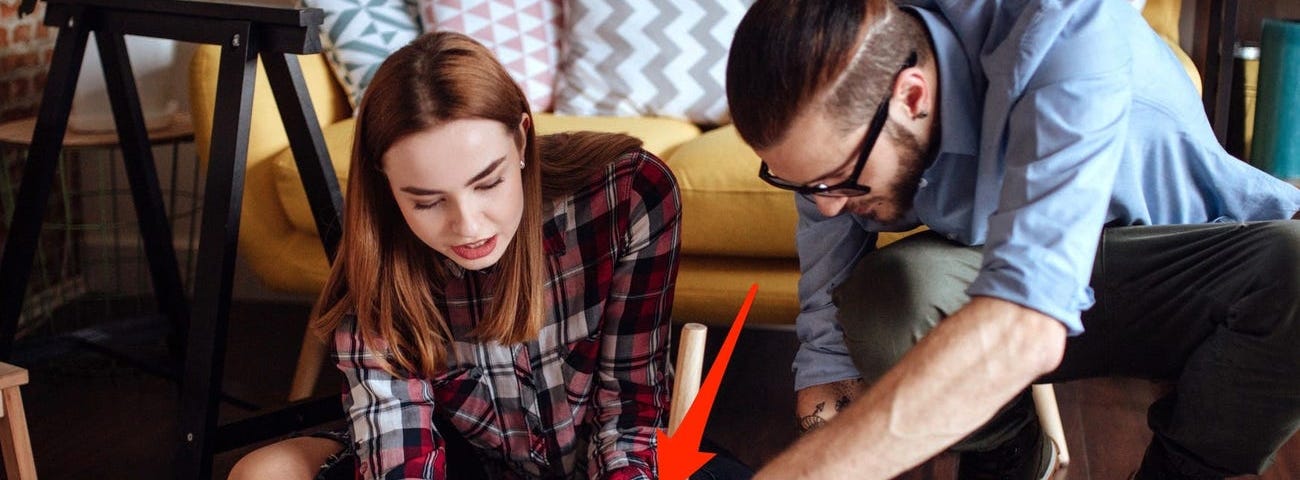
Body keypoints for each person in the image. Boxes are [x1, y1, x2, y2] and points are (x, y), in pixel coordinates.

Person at [724, 0, 1300, 479]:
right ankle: (1008, 456)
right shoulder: (845, 63)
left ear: (913, 97)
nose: (825, 205)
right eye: (802, 184)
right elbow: (829, 256)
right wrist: (824, 366)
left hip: (1169, 263)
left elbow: (1025, 325)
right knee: (890, 298)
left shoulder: (1062, 28)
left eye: (838, 180)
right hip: (1009, 265)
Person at [227, 31, 751, 480]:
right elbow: (400, 448)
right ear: (387, 185)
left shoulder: (630, 193)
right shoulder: (379, 257)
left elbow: (632, 413)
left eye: (489, 182)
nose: (468, 226)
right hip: (465, 463)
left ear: (522, 139)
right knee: (263, 472)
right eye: (427, 201)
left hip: (613, 460)